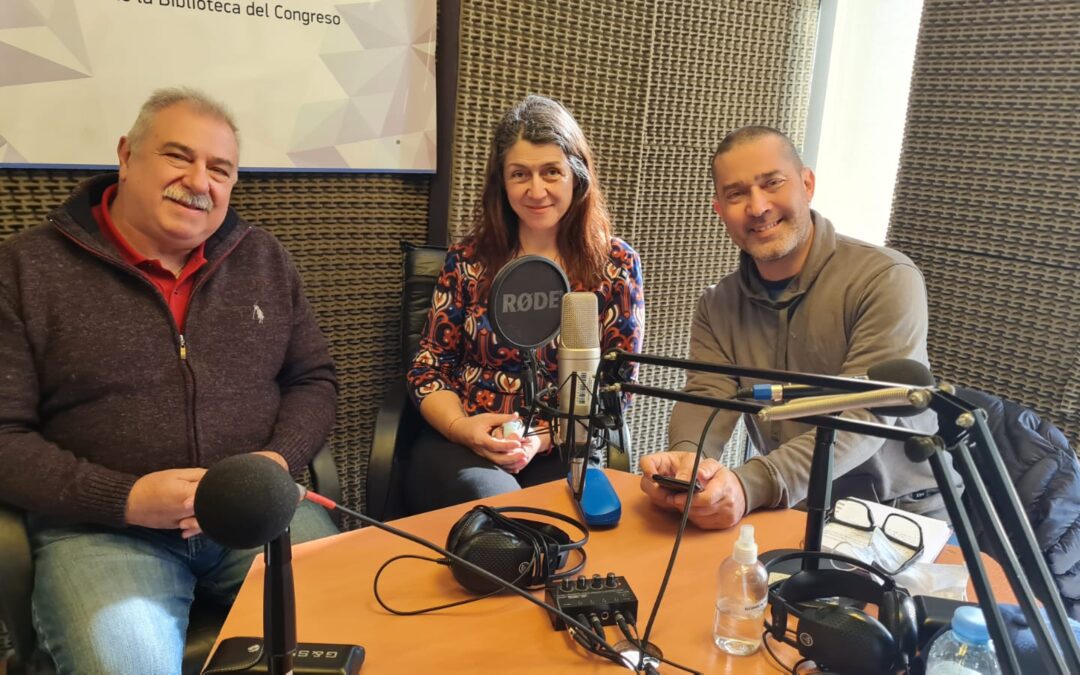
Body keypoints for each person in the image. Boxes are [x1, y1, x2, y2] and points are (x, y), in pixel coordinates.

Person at [0, 88, 339, 674]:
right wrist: (126, 499)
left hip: (258, 511)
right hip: (102, 532)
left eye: (220, 168)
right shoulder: (26, 269)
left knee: (358, 627)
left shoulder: (265, 260)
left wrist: (276, 463)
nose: (199, 181)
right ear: (127, 155)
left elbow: (312, 379)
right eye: (178, 156)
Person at [639, 125, 958, 530]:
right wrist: (687, 467)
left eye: (772, 183)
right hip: (798, 508)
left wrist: (750, 484)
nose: (757, 207)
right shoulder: (717, 304)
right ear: (719, 209)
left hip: (901, 515)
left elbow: (865, 415)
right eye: (737, 194)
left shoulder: (886, 278)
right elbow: (708, 394)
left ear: (807, 184)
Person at [405, 95, 644, 514]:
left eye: (551, 171)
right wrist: (465, 428)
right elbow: (429, 369)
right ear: (502, 182)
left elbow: (614, 385)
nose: (537, 191)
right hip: (465, 439)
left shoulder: (615, 266)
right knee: (496, 509)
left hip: (560, 441)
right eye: (520, 174)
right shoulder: (467, 262)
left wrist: (544, 435)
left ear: (577, 175)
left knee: (554, 522)